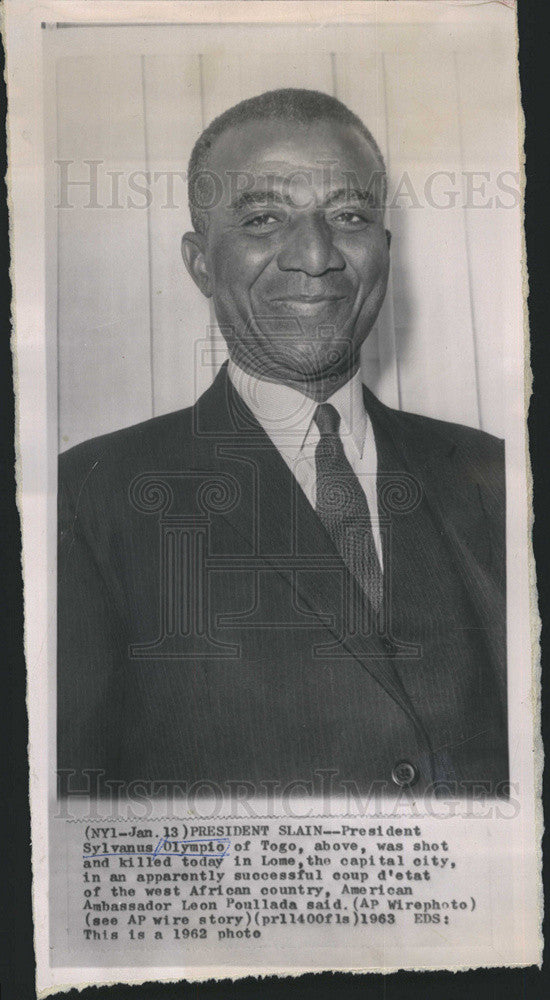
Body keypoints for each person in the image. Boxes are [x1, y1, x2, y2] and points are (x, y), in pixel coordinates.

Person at [58, 89, 508, 798]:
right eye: (265, 218)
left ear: (383, 253)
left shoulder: (500, 475)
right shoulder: (88, 497)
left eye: (350, 216)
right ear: (200, 263)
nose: (316, 255)